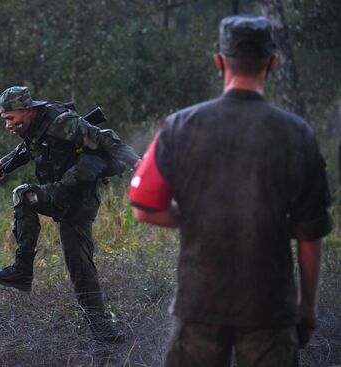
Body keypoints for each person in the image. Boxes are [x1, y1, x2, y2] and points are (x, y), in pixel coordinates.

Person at [129, 15, 331, 366]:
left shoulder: (179, 126)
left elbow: (143, 207)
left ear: (219, 62)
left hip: (199, 304)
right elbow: (310, 235)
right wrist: (307, 308)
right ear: (273, 62)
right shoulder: (298, 134)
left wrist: (192, 215)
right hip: (270, 306)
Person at [0, 86, 139, 342]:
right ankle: (104, 332)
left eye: (11, 118)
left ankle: (22, 271)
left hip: (78, 197)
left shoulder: (61, 122)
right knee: (80, 269)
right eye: (5, 120)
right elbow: (29, 149)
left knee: (23, 196)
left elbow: (104, 137)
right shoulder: (35, 127)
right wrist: (3, 164)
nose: (8, 125)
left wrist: (137, 163)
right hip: (66, 195)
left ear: (28, 110)